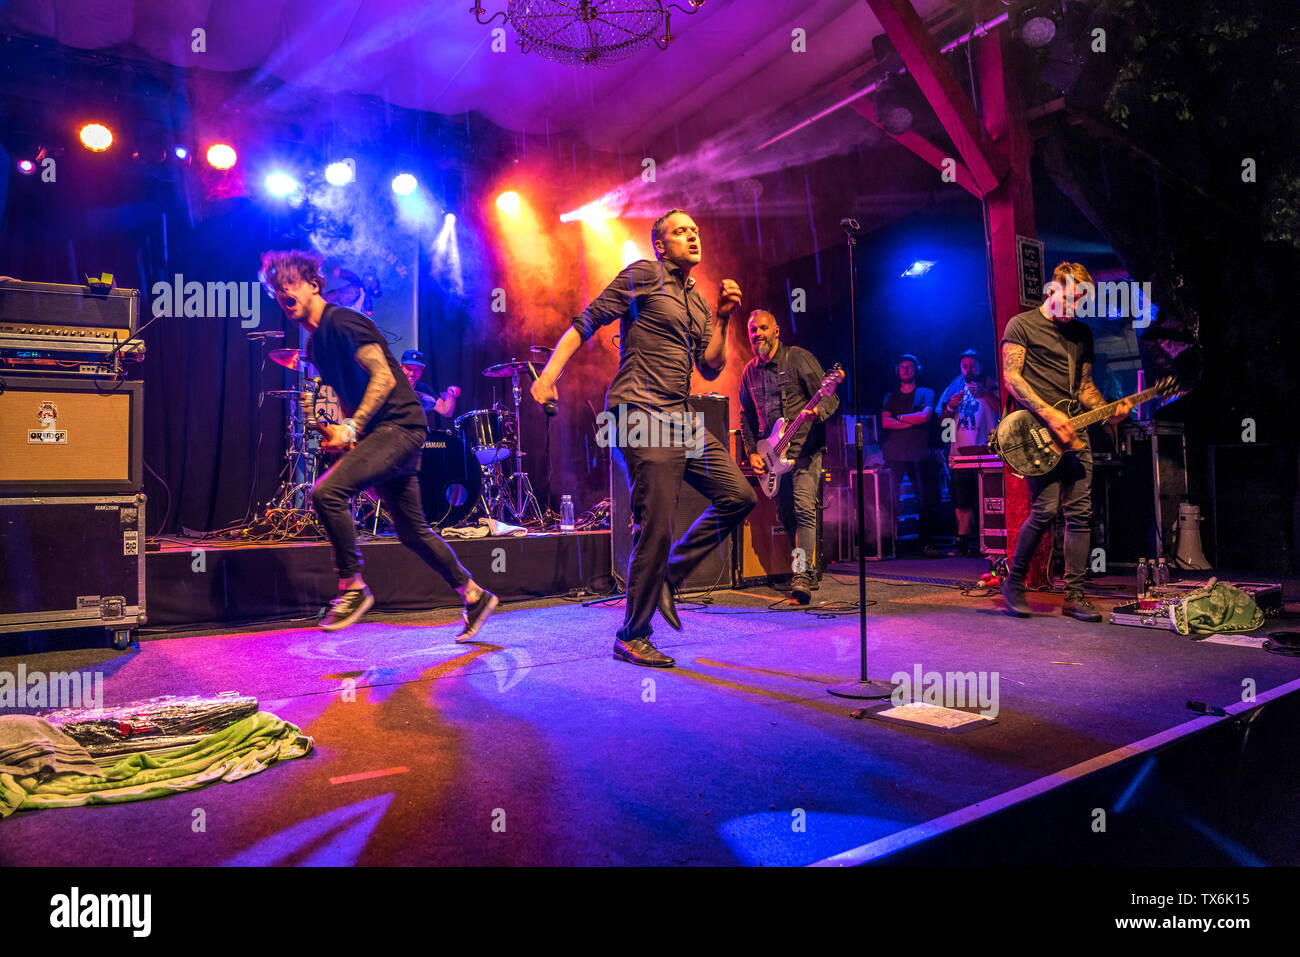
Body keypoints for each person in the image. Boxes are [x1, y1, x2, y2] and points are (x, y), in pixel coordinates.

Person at [530, 209, 756, 668]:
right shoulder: (644, 275)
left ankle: (669, 576)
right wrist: (548, 377)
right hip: (638, 411)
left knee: (739, 496)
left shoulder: (696, 300)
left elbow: (710, 367)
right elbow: (586, 320)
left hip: (679, 417)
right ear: (660, 243)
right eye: (680, 231)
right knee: (656, 524)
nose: (692, 236)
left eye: (695, 230)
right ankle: (633, 634)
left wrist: (724, 317)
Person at [260, 249, 497, 638]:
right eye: (276, 288)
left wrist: (351, 428)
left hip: (401, 427)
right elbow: (350, 395)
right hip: (380, 433)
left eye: (289, 282)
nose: (282, 292)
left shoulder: (345, 321)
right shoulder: (317, 347)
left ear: (313, 284)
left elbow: (384, 379)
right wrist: (343, 434)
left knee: (326, 493)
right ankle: (474, 595)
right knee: (412, 531)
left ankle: (352, 586)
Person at [1000, 261, 1133, 621]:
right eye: (1070, 299)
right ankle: (1013, 583)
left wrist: (1107, 411)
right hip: (1036, 434)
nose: (1074, 308)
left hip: (1076, 434)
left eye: (1080, 302)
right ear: (1051, 289)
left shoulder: (1081, 335)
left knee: (1080, 515)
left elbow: (1085, 388)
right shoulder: (1021, 325)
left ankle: (1075, 595)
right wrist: (1049, 413)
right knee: (1043, 512)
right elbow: (1012, 378)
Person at [738, 309, 839, 603]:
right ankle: (808, 566)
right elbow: (745, 416)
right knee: (786, 515)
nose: (758, 334)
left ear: (777, 330)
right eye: (753, 330)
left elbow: (829, 394)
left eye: (763, 328)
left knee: (803, 507)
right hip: (772, 457)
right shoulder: (748, 372)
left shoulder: (797, 358)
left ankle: (801, 574)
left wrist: (817, 411)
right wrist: (751, 452)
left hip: (805, 451)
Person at [936, 349, 1000, 556]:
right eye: (964, 366)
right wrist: (949, 409)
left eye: (972, 365)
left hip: (988, 450)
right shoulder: (953, 386)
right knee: (962, 499)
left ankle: (992, 542)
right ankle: (962, 542)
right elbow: (942, 423)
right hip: (961, 452)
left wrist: (986, 394)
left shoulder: (994, 383)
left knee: (990, 498)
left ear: (981, 365)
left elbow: (1006, 409)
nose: (969, 370)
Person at [880, 354, 937, 552]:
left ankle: (926, 544)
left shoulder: (926, 392)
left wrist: (900, 418)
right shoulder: (890, 396)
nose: (905, 370)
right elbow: (885, 422)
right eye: (902, 367)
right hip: (894, 454)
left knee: (924, 500)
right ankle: (889, 543)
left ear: (916, 369)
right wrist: (911, 420)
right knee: (889, 500)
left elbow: (925, 416)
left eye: (909, 367)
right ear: (898, 371)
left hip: (918, 453)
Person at [400, 349, 460, 427]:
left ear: (422, 369)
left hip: (415, 435)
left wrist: (451, 394)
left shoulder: (423, 389)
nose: (412, 373)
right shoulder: (391, 385)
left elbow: (445, 411)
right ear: (401, 367)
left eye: (416, 369)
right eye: (408, 368)